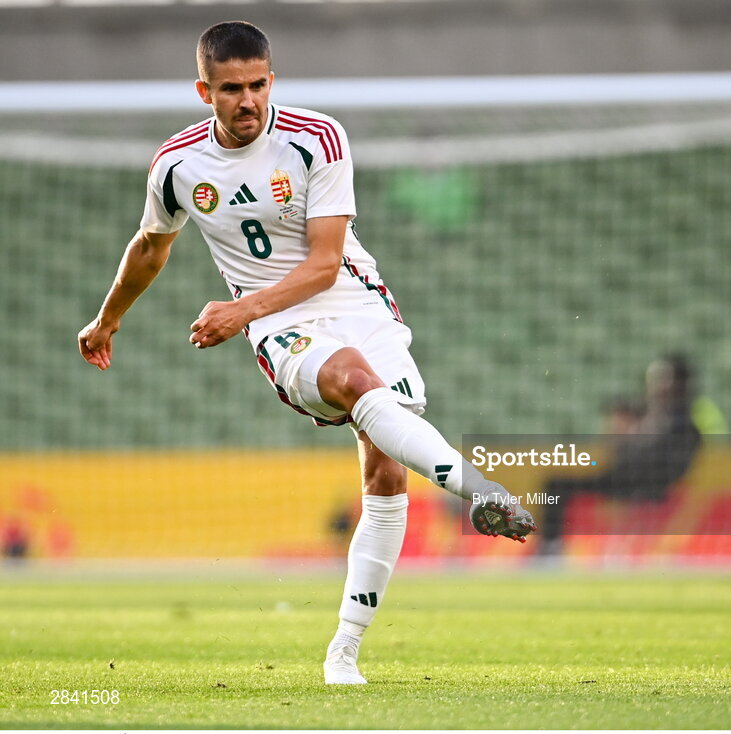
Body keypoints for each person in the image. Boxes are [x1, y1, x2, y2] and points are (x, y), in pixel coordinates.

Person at [77, 21, 536, 685]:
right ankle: (480, 490)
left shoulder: (318, 137)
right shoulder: (177, 166)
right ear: (204, 90)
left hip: (353, 300)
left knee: (384, 475)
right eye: (231, 88)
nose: (248, 101)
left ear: (272, 79)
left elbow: (325, 264)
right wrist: (107, 319)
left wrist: (237, 309)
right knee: (353, 381)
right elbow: (151, 246)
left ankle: (343, 652)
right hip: (282, 326)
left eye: (259, 84)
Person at [538, 354, 704, 553]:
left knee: (557, 486)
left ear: (676, 382)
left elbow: (662, 462)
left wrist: (631, 439)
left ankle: (550, 550)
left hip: (646, 485)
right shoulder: (648, 413)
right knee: (556, 485)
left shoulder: (680, 423)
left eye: (660, 377)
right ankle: (551, 546)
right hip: (623, 479)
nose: (653, 384)